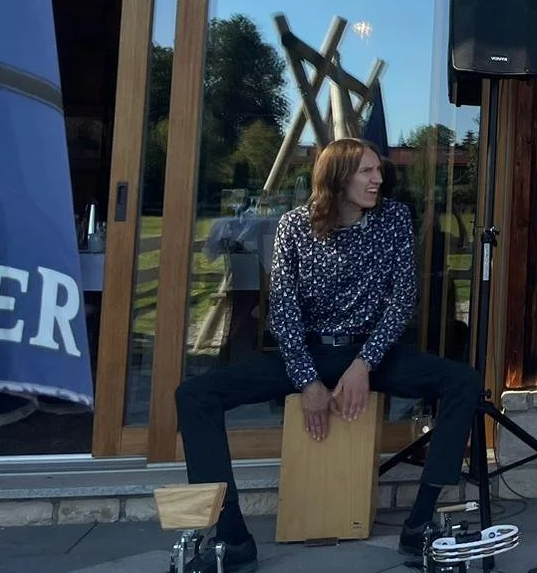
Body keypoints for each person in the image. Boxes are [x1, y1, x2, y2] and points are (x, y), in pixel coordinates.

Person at [174, 138, 481, 572]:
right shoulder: (294, 227)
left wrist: (364, 364)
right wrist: (307, 381)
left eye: (379, 171)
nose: (379, 180)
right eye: (367, 172)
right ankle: (231, 538)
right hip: (309, 354)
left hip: (372, 353)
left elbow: (402, 300)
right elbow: (283, 308)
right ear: (337, 180)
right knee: (194, 395)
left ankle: (420, 524)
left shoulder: (394, 218)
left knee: (462, 382)